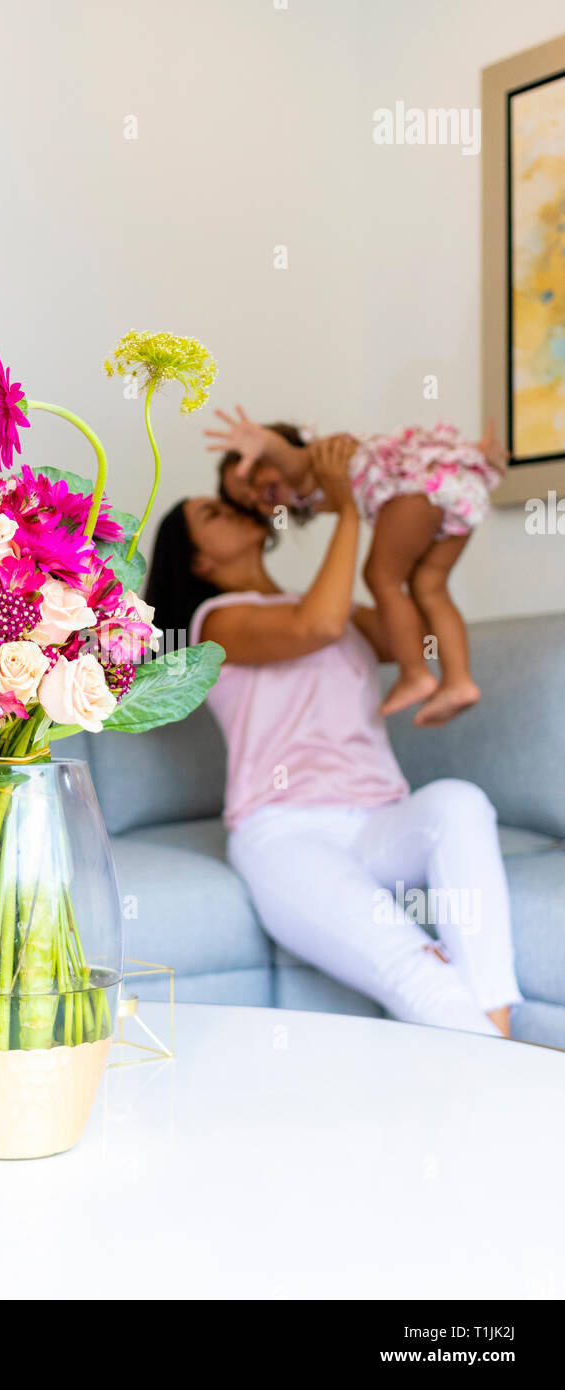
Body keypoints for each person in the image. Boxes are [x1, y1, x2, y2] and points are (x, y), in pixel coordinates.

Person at [144, 435, 521, 1037]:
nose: (232, 509)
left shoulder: (328, 605)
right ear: (198, 562)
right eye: (212, 514)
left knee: (460, 800)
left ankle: (501, 1051)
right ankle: (524, 1084)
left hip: (381, 822)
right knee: (414, 964)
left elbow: (416, 631)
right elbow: (315, 625)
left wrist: (420, 524)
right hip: (287, 832)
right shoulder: (216, 623)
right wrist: (349, 508)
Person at [204, 409, 508, 726]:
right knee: (429, 587)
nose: (256, 495)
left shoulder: (306, 467)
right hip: (457, 489)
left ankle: (415, 674)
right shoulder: (312, 486)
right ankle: (459, 682)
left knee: (380, 578)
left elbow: (288, 458)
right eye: (249, 501)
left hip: (416, 490)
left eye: (252, 476)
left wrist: (264, 442)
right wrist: (477, 454)